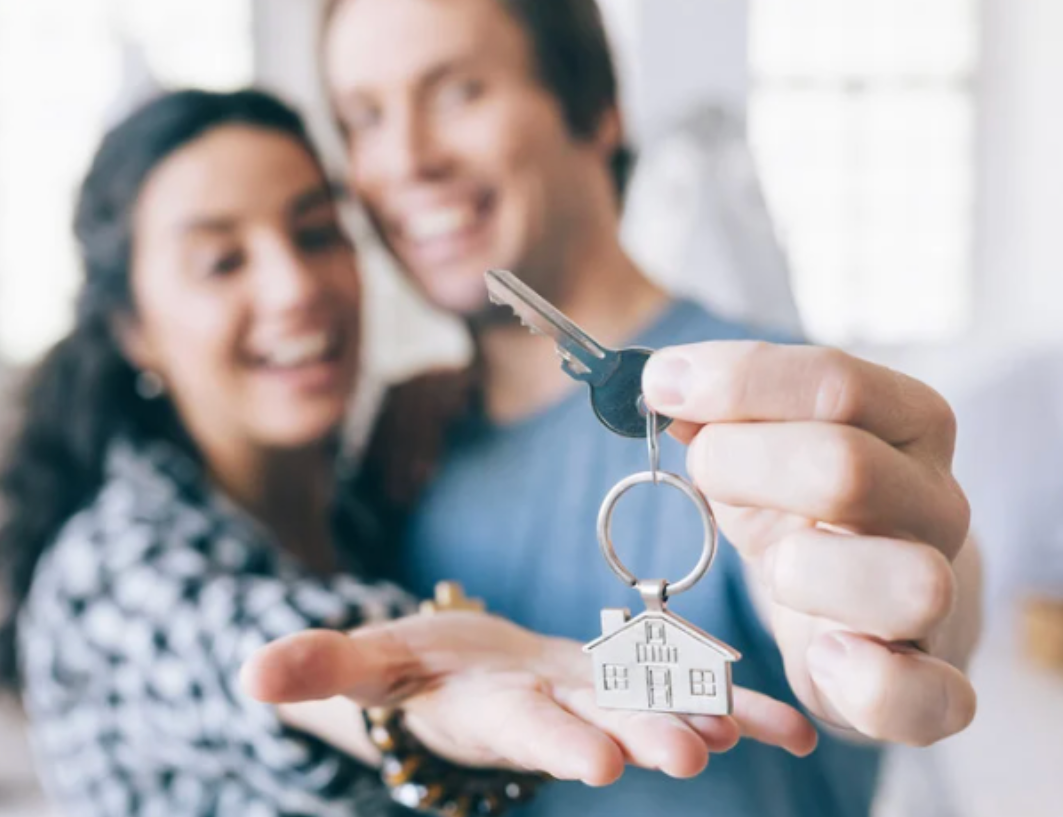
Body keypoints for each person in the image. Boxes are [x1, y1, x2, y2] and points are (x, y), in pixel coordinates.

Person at [0, 88, 815, 817]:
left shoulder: (377, 488)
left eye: (315, 232)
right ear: (131, 329)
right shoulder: (113, 570)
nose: (294, 285)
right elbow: (261, 650)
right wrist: (407, 685)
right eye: (222, 260)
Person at [242, 1, 984, 816]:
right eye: (364, 117)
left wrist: (876, 631)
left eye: (458, 92)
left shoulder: (757, 400)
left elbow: (860, 566)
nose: (406, 158)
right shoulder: (401, 438)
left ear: (596, 109)